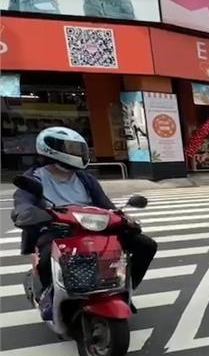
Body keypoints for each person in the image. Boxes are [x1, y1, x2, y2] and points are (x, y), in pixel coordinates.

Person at [11, 128, 158, 317]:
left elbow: (106, 205)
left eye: (78, 149)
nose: (77, 153)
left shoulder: (85, 178)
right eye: (70, 148)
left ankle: (123, 290)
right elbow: (23, 202)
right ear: (51, 149)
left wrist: (123, 218)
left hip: (91, 225)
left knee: (145, 245)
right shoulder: (34, 178)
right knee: (47, 256)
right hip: (56, 228)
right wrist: (28, 213)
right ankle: (47, 294)